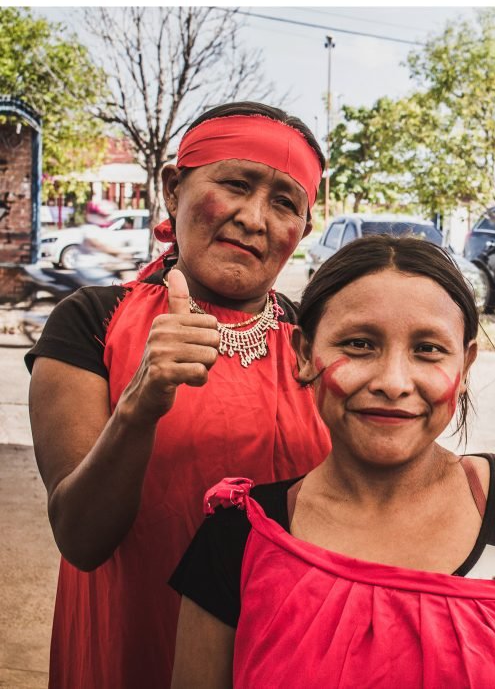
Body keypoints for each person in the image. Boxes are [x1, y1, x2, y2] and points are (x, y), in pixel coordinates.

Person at [168, 235, 495, 688]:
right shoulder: (240, 539)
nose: (394, 382)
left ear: (465, 368)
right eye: (358, 344)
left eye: (428, 350)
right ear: (303, 354)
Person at [26, 102, 332, 688]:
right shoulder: (92, 320)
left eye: (284, 203)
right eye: (236, 185)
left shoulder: (312, 344)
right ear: (174, 188)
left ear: (302, 231)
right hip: (133, 650)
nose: (254, 218)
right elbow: (81, 538)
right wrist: (138, 407)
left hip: (282, 656)